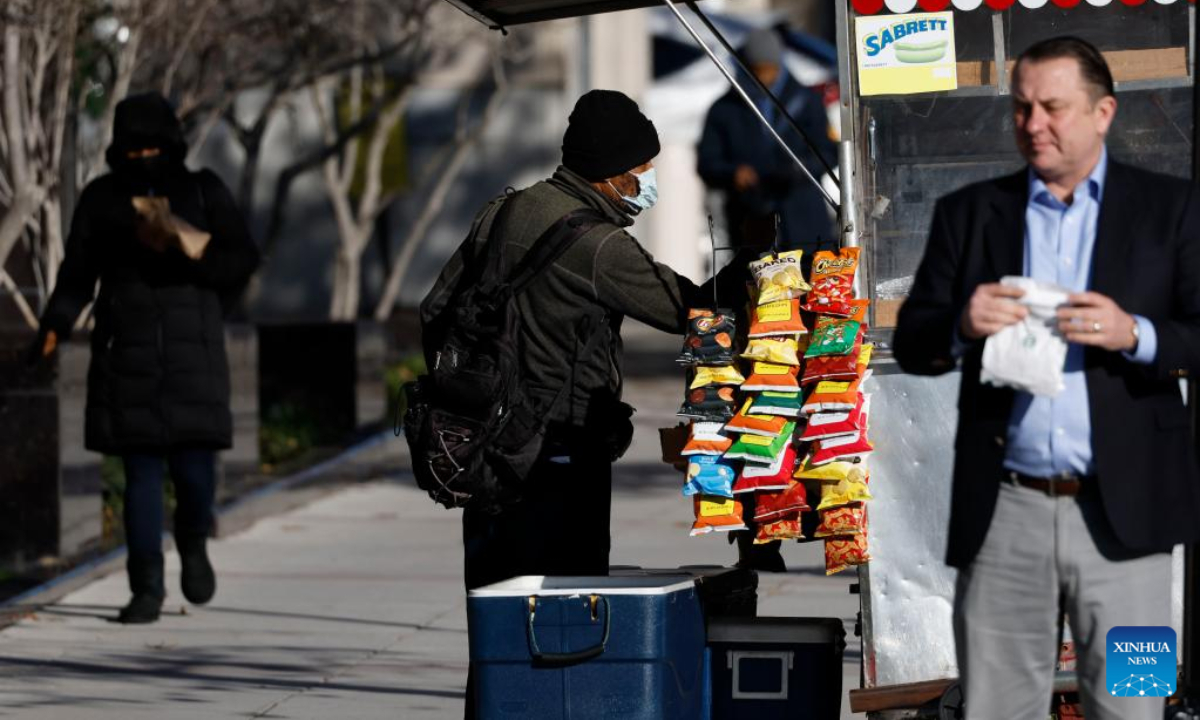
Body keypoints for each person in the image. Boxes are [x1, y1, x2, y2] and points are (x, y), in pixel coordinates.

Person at [893, 37, 1200, 720]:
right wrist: (961, 323)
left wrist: (1138, 334)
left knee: (1133, 709)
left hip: (1130, 527)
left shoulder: (1170, 210)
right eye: (1022, 109)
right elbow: (913, 341)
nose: (1034, 125)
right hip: (1006, 517)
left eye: (1053, 108)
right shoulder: (969, 214)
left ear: (1103, 112)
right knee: (996, 709)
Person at [422, 89, 748, 717]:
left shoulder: (504, 211)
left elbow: (434, 308)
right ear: (611, 171)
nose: (648, 181)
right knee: (558, 627)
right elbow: (691, 314)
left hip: (488, 451)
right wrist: (754, 277)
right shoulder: (593, 242)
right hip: (556, 455)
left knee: (495, 626)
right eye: (643, 170)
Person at [33, 92, 260, 624]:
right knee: (140, 480)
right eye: (133, 151)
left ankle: (194, 541)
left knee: (195, 476)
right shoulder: (102, 199)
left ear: (171, 144)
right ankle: (146, 588)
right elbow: (76, 273)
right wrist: (54, 326)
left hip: (193, 361)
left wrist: (187, 250)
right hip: (125, 357)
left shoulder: (202, 190)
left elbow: (241, 258)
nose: (143, 159)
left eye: (152, 147)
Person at [697, 27, 836, 255]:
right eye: (757, 71)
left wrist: (798, 170)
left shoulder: (807, 102)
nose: (764, 78)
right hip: (751, 226)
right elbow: (707, 163)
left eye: (769, 70)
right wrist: (733, 173)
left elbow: (827, 153)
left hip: (806, 227)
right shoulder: (724, 110)